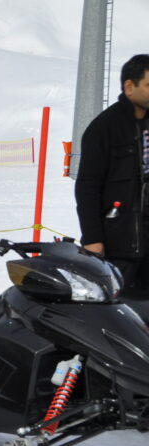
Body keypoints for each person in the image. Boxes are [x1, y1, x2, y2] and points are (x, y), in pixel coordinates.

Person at [76, 54, 149, 294]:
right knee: (119, 318)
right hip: (118, 249)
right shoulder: (104, 127)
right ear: (130, 87)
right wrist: (92, 239)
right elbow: (87, 186)